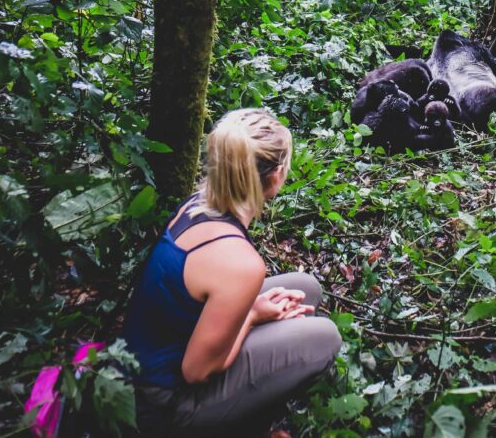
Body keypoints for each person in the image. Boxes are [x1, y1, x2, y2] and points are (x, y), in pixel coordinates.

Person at [123, 108, 342, 436]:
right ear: (275, 175)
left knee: (305, 288)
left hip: (150, 358)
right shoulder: (241, 265)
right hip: (165, 403)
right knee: (325, 339)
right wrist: (252, 316)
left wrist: (253, 312)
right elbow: (196, 371)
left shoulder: (197, 203)